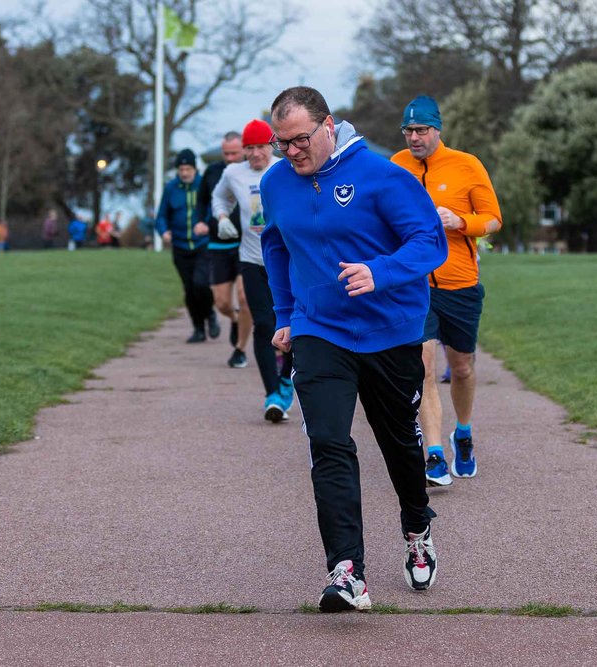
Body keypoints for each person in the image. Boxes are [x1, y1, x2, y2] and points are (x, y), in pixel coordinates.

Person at [260, 87, 448, 612]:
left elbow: (429, 242)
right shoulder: (275, 183)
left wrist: (379, 271)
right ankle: (347, 572)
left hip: (390, 332)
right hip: (320, 330)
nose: (292, 152)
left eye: (300, 140)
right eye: (282, 144)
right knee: (328, 442)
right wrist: (284, 315)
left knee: (398, 447)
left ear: (328, 126)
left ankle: (416, 527)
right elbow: (275, 244)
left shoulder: (384, 177)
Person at [391, 95, 502, 486]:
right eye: (409, 131)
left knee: (462, 367)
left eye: (422, 130)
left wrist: (460, 221)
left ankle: (464, 432)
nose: (415, 138)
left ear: (438, 129)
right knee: (422, 368)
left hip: (459, 283)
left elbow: (493, 220)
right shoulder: (397, 166)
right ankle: (434, 455)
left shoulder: (467, 165)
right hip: (415, 285)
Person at [211, 119, 291, 420]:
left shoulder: (284, 168)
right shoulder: (233, 173)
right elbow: (219, 196)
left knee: (294, 323)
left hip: (286, 260)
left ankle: (287, 381)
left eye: (261, 147)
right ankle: (272, 395)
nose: (256, 154)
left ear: (271, 146)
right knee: (264, 324)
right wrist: (221, 217)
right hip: (252, 259)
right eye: (250, 149)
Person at [199, 131, 253, 369]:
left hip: (245, 245)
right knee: (221, 302)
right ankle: (234, 319)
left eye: (234, 152)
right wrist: (200, 221)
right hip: (218, 244)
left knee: (244, 297)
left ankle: (240, 349)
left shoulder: (249, 173)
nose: (230, 158)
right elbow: (203, 200)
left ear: (243, 150)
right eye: (226, 153)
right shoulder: (212, 172)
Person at [155, 148, 220, 343]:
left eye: (188, 168)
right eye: (181, 169)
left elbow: (214, 209)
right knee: (189, 290)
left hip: (202, 245)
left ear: (195, 168)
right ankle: (198, 328)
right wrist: (163, 231)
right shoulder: (171, 188)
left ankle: (210, 314)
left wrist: (208, 225)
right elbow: (161, 216)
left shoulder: (204, 185)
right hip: (180, 246)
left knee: (201, 284)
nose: (184, 173)